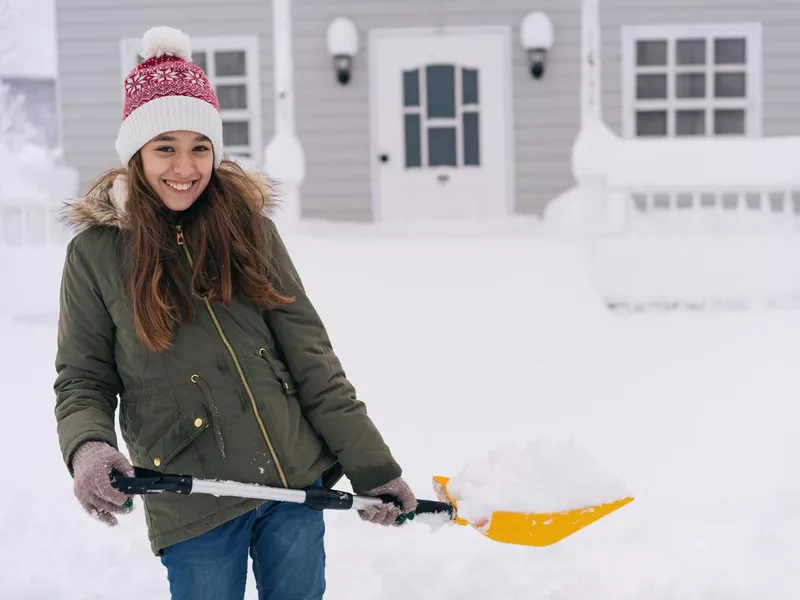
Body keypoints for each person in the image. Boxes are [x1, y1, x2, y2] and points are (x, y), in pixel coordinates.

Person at [54, 26, 417, 600]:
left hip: (292, 482)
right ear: (136, 153)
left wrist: (375, 471)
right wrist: (88, 447)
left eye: (201, 146)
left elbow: (312, 360)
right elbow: (82, 379)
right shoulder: (97, 254)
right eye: (164, 146)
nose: (185, 165)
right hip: (190, 494)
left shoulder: (250, 232)